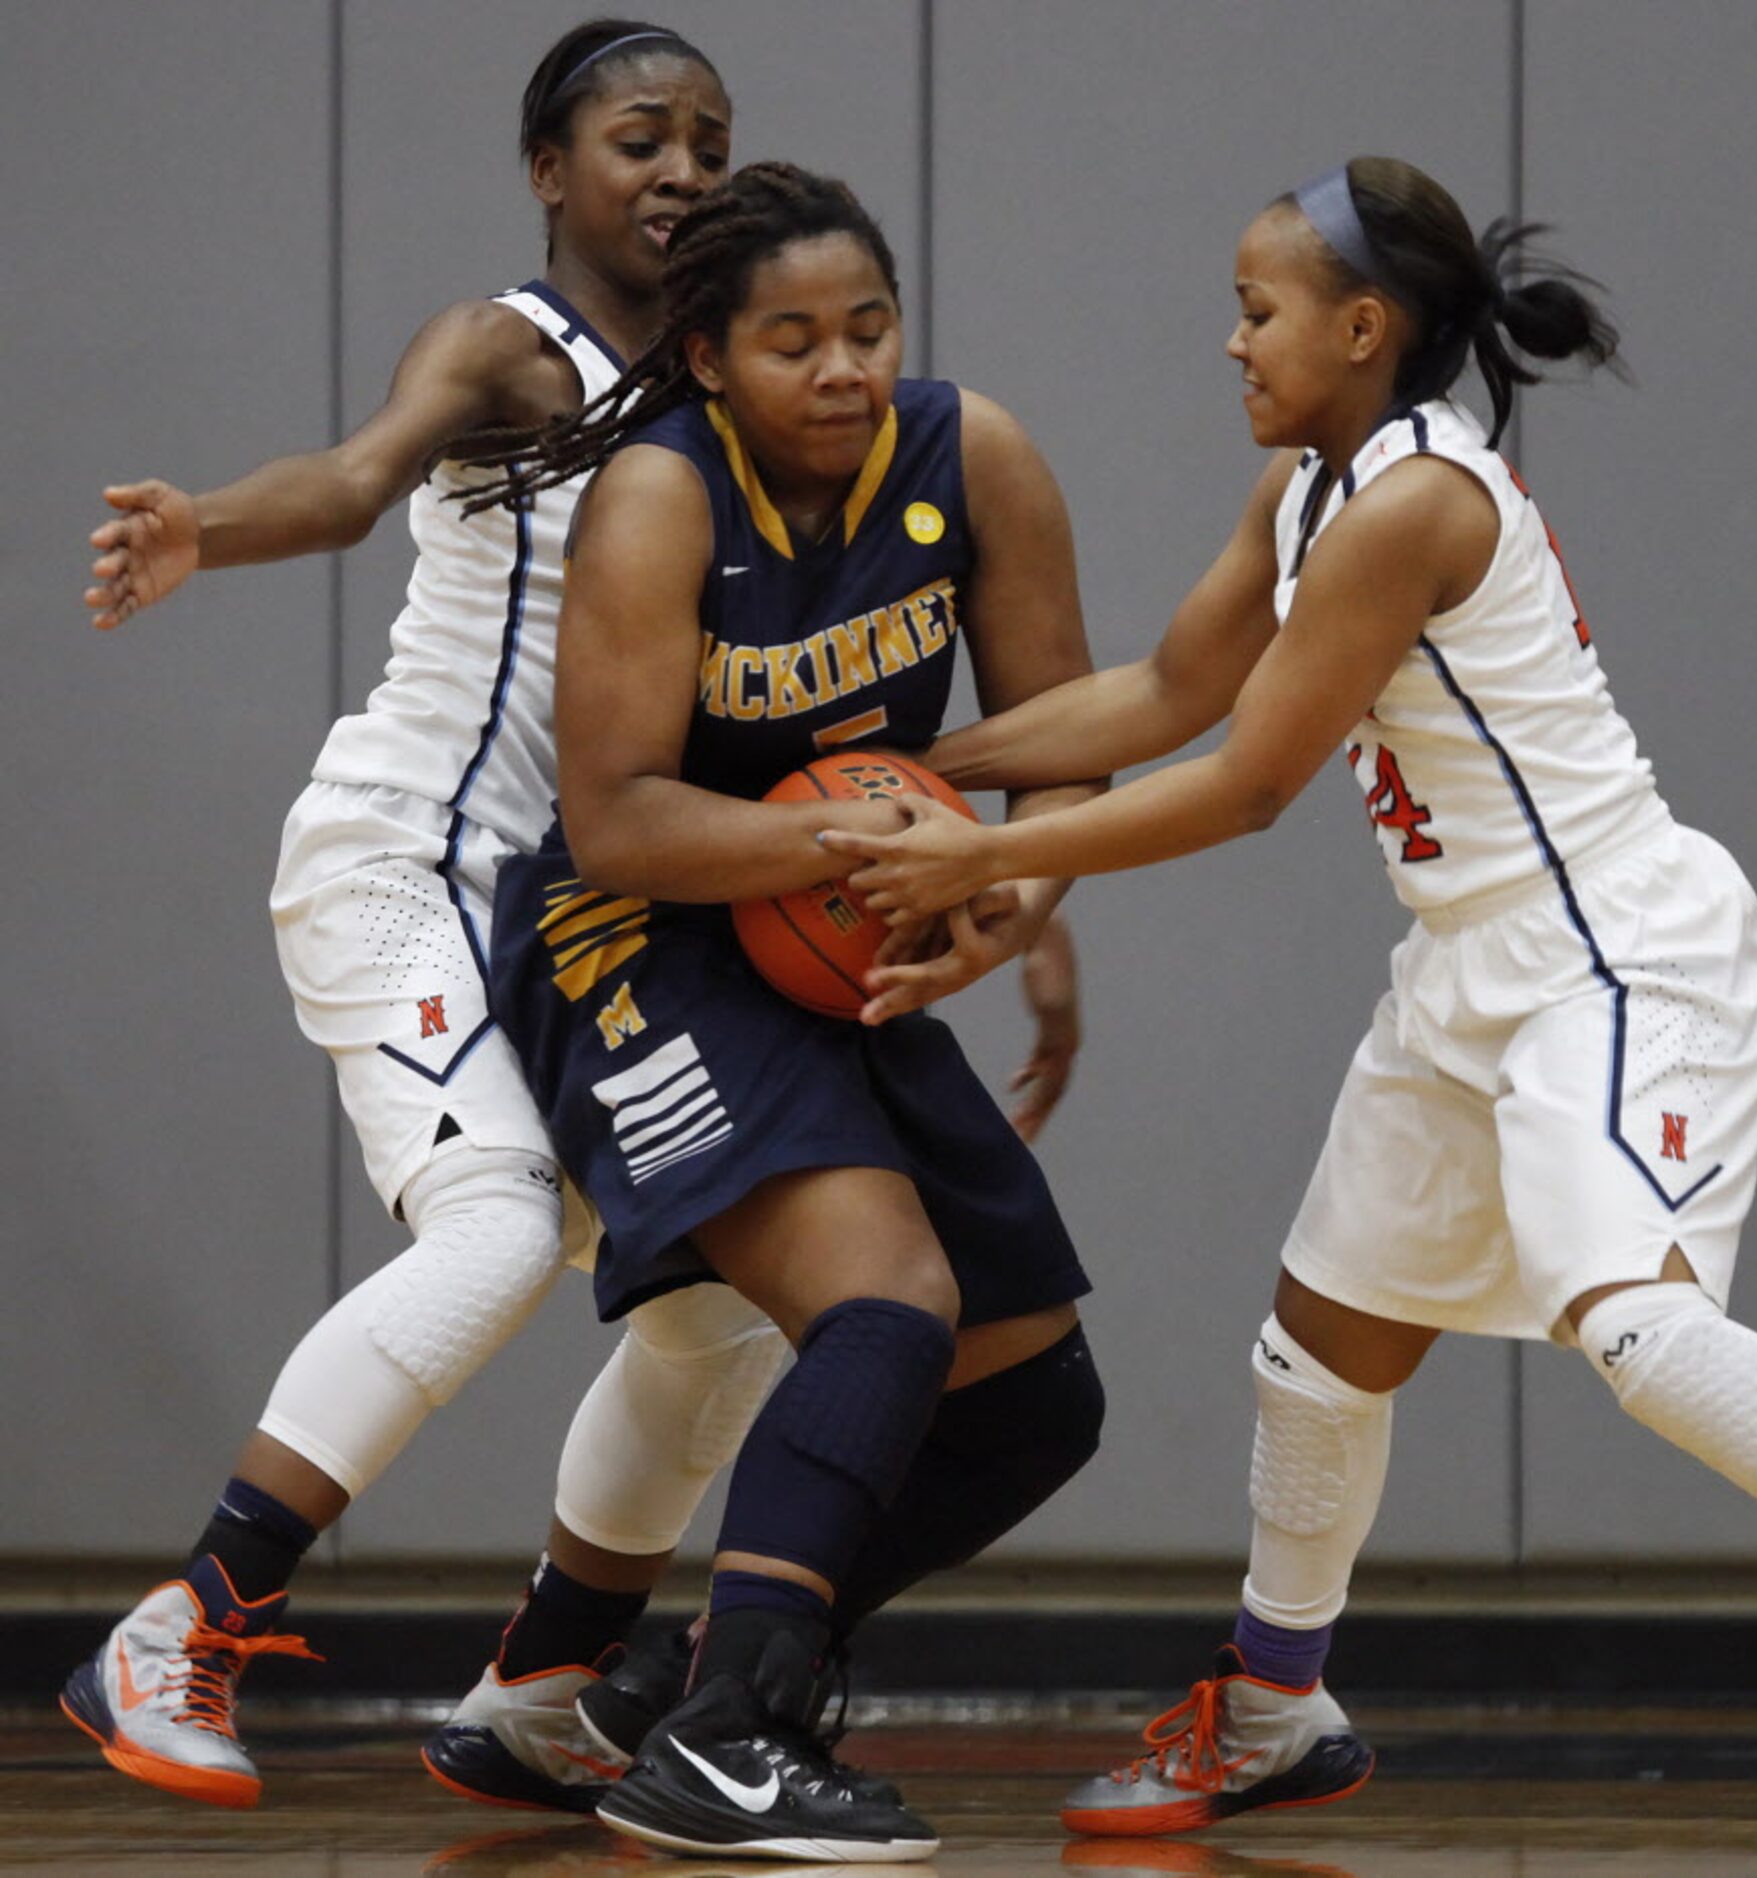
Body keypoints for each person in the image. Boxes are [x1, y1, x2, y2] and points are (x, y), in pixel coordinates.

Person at [823, 156, 1757, 1853]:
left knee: (1629, 1321)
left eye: (1258, 311)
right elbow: (1165, 692)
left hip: (1612, 952)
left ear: (1361, 325)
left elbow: (1247, 779)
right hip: (1467, 965)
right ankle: (1275, 1702)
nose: (1233, 342)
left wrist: (961, 841)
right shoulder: (1309, 491)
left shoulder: (1417, 498)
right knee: (1319, 1347)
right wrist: (907, 773)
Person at [63, 22, 1082, 1820]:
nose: (680, 166)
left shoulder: (745, 383)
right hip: (409, 858)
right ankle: (187, 1616)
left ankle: (544, 1678)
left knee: (714, 1319)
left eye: (710, 135)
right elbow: (359, 477)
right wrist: (203, 529)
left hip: (603, 903)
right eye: (637, 139)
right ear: (550, 170)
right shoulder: (507, 349)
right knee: (497, 1232)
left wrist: (1016, 885)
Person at [454, 160, 1107, 1862]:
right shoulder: (664, 498)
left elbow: (1061, 740)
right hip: (638, 932)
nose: (841, 368)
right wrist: (868, 838)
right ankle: (729, 1738)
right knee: (885, 1301)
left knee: (1035, 1398)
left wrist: (1013, 902)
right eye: (796, 339)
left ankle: (660, 1692)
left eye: (868, 328)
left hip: (835, 922)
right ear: (714, 359)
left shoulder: (977, 455)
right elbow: (618, 815)